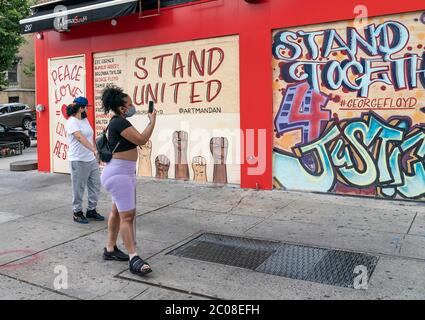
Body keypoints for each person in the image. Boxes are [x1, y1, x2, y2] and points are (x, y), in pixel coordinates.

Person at [100, 85, 157, 276]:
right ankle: (134, 257)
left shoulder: (118, 121)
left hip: (121, 172)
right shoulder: (120, 123)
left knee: (117, 212)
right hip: (120, 175)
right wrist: (152, 121)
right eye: (130, 104)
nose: (132, 106)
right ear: (122, 108)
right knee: (128, 216)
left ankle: (110, 249)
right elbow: (141, 140)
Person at [65, 97, 105, 224]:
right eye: (86, 107)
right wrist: (94, 149)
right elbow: (79, 137)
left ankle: (91, 210)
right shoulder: (71, 122)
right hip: (78, 159)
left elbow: (89, 136)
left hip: (90, 159)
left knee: (96, 184)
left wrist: (95, 155)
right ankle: (77, 212)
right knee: (79, 188)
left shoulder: (84, 119)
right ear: (81, 108)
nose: (87, 109)